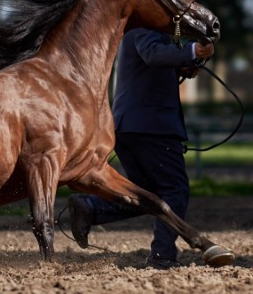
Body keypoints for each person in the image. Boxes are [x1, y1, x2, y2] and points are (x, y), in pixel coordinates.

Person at [68, 19, 214, 269]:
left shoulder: (140, 28)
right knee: (175, 188)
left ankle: (92, 207)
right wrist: (192, 51)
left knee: (147, 193)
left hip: (133, 124)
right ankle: (162, 256)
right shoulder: (145, 25)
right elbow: (152, 54)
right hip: (151, 125)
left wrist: (184, 66)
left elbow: (152, 62)